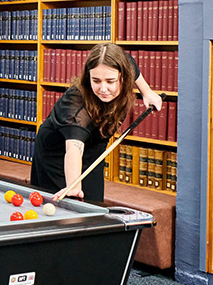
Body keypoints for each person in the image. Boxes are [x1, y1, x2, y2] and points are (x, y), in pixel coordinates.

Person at [30, 43, 163, 203]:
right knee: (65, 206)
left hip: (94, 149)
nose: (103, 88)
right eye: (96, 80)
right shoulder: (76, 104)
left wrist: (147, 92)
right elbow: (73, 147)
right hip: (57, 156)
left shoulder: (124, 67)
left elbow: (129, 62)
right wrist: (73, 185)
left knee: (94, 202)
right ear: (88, 77)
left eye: (110, 81)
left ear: (123, 76)